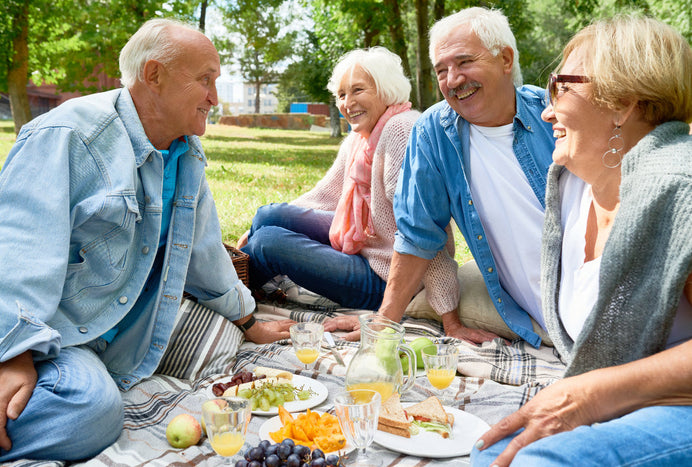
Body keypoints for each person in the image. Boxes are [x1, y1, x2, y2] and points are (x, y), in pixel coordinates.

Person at [0, 19, 292, 462]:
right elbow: (17, 247)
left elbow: (205, 252)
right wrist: (13, 352)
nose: (214, 97)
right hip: (42, 336)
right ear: (154, 76)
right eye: (205, 80)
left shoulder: (185, 152)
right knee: (91, 410)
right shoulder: (71, 136)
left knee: (89, 405)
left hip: (96, 347)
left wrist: (248, 321)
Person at [472, 15, 692, 466]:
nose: (547, 110)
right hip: (629, 403)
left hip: (679, 404)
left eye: (560, 88)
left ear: (623, 103)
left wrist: (590, 396)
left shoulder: (679, 190)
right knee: (487, 453)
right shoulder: (571, 188)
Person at [326, 7, 555, 345]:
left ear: (506, 60)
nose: (453, 80)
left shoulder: (556, 114)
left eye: (464, 63)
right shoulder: (434, 132)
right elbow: (419, 234)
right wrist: (384, 322)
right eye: (442, 70)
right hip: (549, 310)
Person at [238, 47, 458, 313]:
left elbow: (423, 230)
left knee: (267, 243)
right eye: (341, 94)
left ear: (385, 89)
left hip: (388, 280)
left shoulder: (401, 130)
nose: (346, 102)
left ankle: (230, 295)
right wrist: (255, 227)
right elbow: (325, 196)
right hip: (367, 243)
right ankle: (242, 279)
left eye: (357, 91)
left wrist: (447, 309)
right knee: (267, 216)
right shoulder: (361, 137)